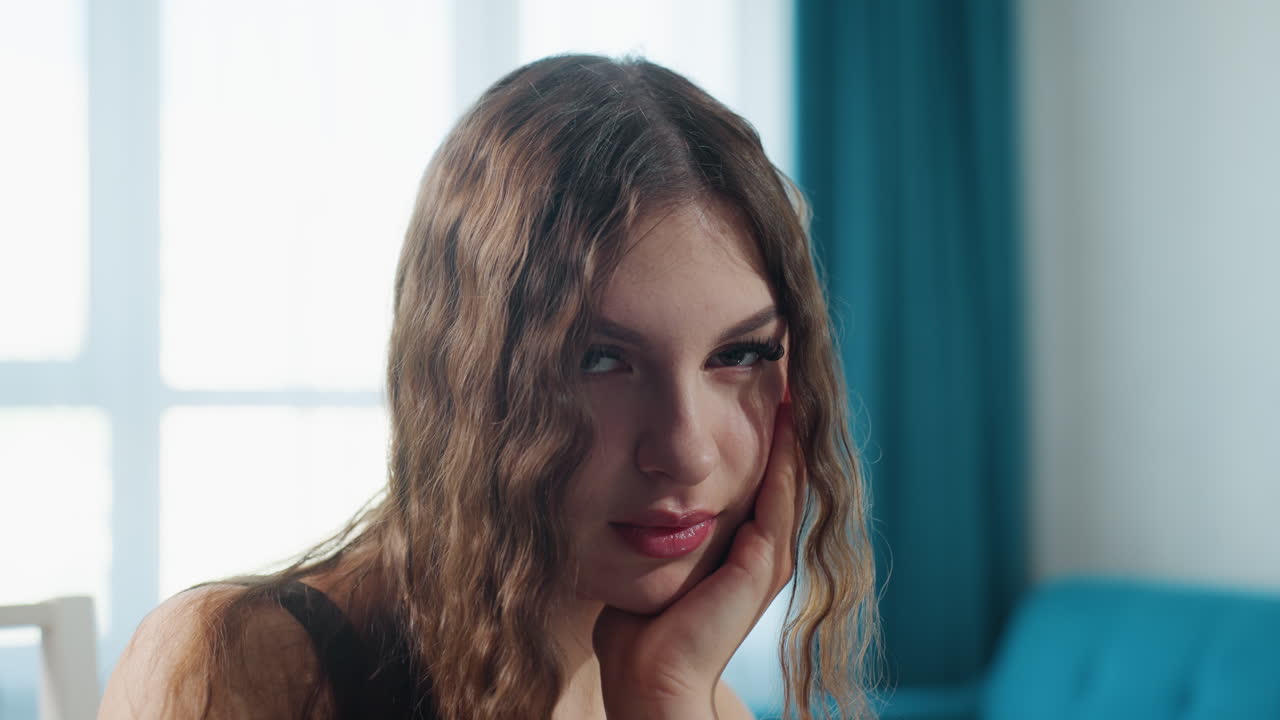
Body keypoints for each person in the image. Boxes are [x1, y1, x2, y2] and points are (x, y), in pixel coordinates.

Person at [98, 54, 877, 720]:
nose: (685, 451)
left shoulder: (691, 691)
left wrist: (668, 693)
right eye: (600, 360)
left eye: (739, 353)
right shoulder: (243, 663)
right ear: (465, 381)